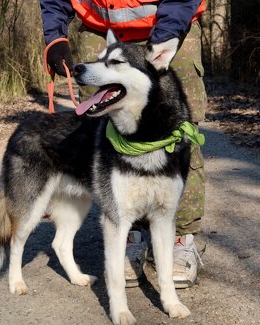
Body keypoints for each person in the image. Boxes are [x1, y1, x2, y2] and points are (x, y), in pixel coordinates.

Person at [40, 0, 207, 289]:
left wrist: (166, 34)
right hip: (101, 30)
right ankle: (131, 231)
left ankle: (180, 236)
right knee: (107, 131)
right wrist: (55, 35)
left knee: (176, 130)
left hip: (169, 24)